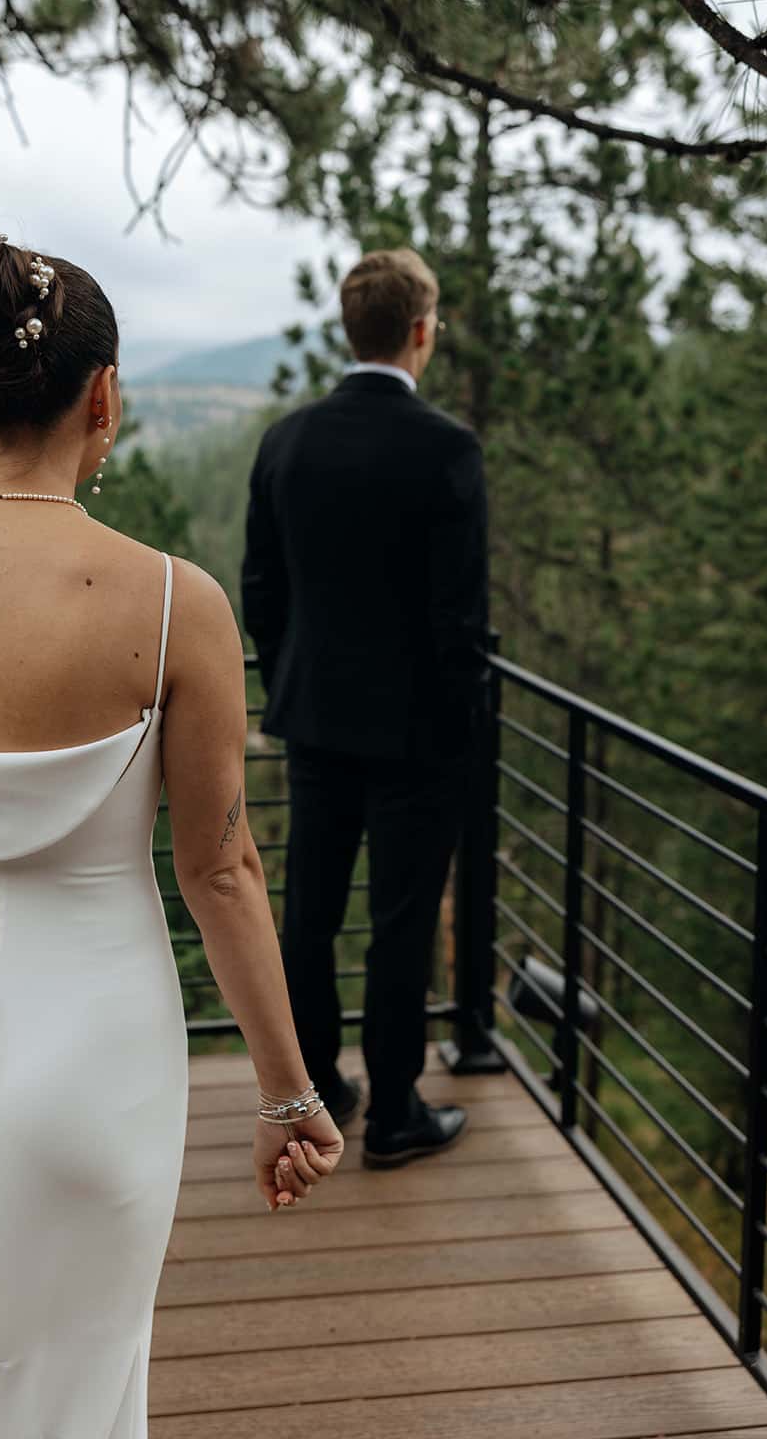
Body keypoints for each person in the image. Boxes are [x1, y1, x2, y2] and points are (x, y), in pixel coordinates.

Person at [0, 230, 343, 1439]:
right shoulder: (170, 603)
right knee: (81, 1379)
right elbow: (218, 868)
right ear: (103, 397)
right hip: (101, 1047)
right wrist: (283, 1092)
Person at [241, 246, 489, 1169]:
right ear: (420, 332)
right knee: (400, 920)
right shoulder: (447, 449)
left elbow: (260, 588)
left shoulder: (287, 441)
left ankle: (317, 1088)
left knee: (308, 912)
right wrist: (458, 730)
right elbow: (460, 617)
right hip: (419, 735)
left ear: (350, 330)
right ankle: (394, 1115)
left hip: (313, 721)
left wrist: (289, 682)